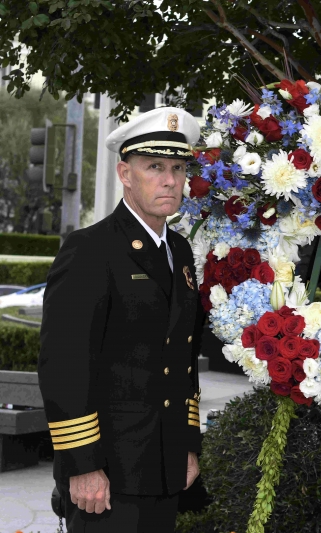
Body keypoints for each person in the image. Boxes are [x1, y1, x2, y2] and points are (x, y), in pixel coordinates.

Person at [38, 107, 206, 532]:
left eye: (178, 168)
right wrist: (83, 465)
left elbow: (182, 360)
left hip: (164, 466)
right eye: (154, 167)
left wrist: (187, 445)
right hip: (107, 472)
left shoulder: (180, 251)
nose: (169, 180)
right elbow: (65, 365)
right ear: (125, 174)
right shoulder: (90, 249)